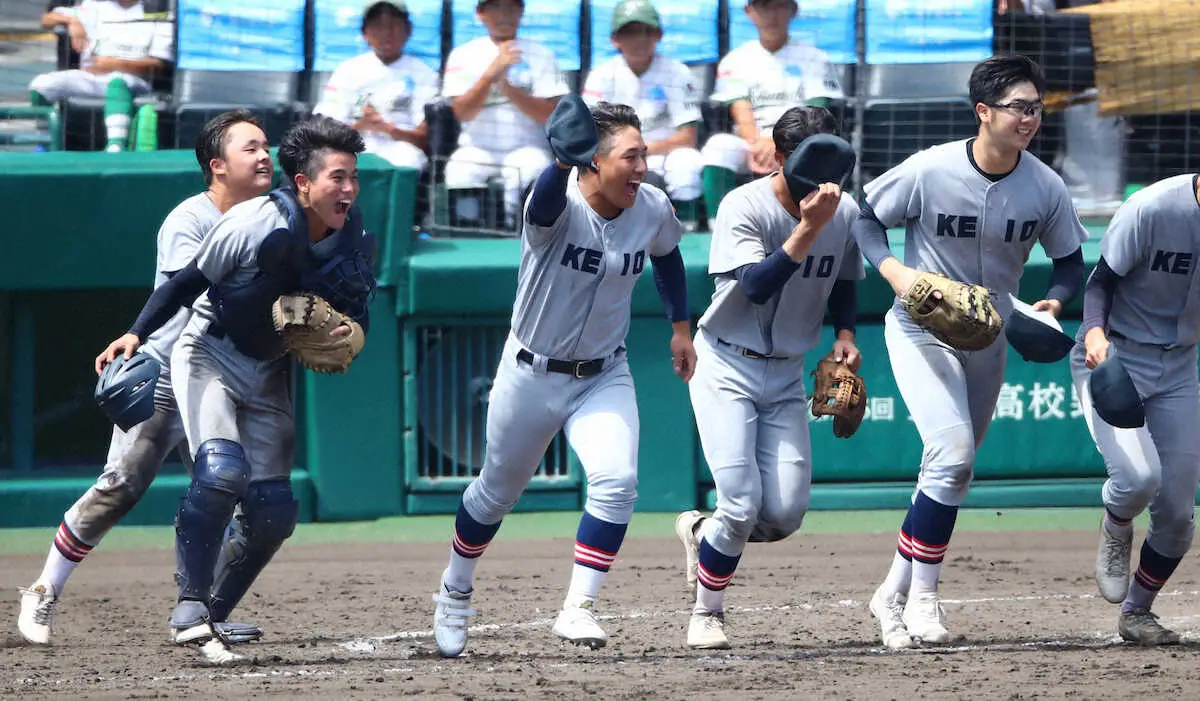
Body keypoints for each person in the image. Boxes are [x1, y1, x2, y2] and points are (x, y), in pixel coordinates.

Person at [94, 116, 376, 664]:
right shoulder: (256, 221)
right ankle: (190, 611)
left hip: (266, 366)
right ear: (303, 183)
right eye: (336, 177)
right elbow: (186, 283)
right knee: (222, 472)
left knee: (274, 512)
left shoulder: (355, 234)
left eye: (353, 178)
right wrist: (136, 332)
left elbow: (358, 306)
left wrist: (349, 333)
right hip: (209, 352)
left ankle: (213, 615)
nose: (346, 189)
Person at [430, 99, 696, 658]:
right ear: (592, 162)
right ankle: (455, 590)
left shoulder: (650, 207)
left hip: (604, 373)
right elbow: (546, 203)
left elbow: (668, 255)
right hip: (531, 373)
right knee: (496, 493)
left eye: (645, 153)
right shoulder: (557, 204)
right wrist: (557, 163)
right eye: (631, 156)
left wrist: (680, 328)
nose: (643, 166)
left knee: (617, 481)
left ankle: (578, 606)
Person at [852, 54, 1087, 649]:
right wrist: (895, 272)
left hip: (990, 336)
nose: (1029, 117)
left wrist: (1054, 305)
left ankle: (891, 592)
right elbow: (865, 217)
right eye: (1017, 107)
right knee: (952, 455)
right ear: (983, 112)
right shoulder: (930, 169)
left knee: (949, 472)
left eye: (1035, 107)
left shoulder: (1045, 184)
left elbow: (1069, 264)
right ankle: (925, 600)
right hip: (920, 326)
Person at [17, 110, 273, 648]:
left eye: (266, 145)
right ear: (217, 166)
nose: (265, 155)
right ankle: (43, 588)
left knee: (232, 493)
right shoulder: (190, 219)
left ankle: (203, 610)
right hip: (167, 377)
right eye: (250, 148)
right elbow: (199, 295)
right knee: (121, 488)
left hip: (220, 378)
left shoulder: (270, 217)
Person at [674, 106, 861, 650]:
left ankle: (703, 535)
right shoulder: (744, 205)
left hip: (785, 374)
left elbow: (846, 276)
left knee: (782, 514)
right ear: (778, 159)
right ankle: (707, 614)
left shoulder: (841, 208)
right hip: (726, 365)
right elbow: (755, 285)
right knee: (740, 502)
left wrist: (845, 335)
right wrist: (809, 228)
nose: (823, 182)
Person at [1072, 173, 1200, 646]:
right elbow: (1099, 282)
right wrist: (1094, 336)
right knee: (1139, 479)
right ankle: (1116, 520)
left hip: (1181, 367)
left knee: (1178, 511)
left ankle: (1138, 612)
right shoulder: (1153, 207)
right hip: (1116, 357)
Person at [699, 0, 842, 218]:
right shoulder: (736, 60)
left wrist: (779, 143)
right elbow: (741, 110)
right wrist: (760, 143)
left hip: (801, 140)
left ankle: (808, 215)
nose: (772, 14)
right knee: (719, 146)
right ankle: (718, 222)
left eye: (780, 6)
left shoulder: (815, 58)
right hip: (754, 142)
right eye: (764, 6)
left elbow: (816, 113)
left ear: (793, 10)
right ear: (749, 12)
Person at [440, 0, 569, 228]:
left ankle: (519, 235)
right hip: (476, 147)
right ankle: (469, 237)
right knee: (459, 169)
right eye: (495, 7)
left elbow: (548, 115)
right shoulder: (463, 55)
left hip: (528, 147)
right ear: (480, 13)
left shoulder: (541, 54)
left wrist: (507, 87)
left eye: (511, 7)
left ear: (521, 11)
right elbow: (462, 113)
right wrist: (490, 76)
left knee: (533, 168)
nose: (504, 14)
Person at [582, 0, 703, 226]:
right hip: (617, 157)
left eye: (647, 31)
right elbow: (591, 134)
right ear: (615, 39)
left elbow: (688, 137)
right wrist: (627, 155)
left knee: (688, 163)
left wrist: (639, 152)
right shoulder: (601, 74)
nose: (640, 39)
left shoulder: (677, 72)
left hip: (666, 153)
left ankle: (688, 228)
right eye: (630, 32)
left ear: (658, 35)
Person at [314, 0, 439, 172]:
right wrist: (360, 125)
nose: (386, 32)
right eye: (378, 25)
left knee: (408, 163)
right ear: (364, 32)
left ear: (408, 30)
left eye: (394, 25)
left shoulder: (425, 74)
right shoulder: (347, 70)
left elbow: (424, 138)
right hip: (353, 145)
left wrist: (387, 128)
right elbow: (325, 127)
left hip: (402, 150)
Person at [32, 0, 174, 151]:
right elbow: (47, 19)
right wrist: (72, 21)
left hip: (133, 81)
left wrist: (112, 64)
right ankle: (47, 140)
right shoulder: (94, 6)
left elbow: (158, 65)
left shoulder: (158, 14)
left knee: (117, 81)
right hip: (90, 77)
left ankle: (116, 145)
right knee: (42, 85)